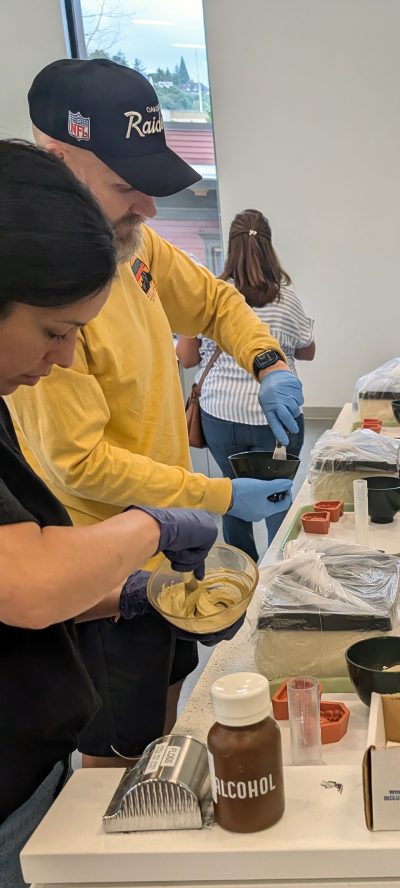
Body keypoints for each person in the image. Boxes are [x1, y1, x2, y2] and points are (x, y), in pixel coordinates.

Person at [7, 58, 304, 768]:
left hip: (156, 557)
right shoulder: (38, 307)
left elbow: (217, 302)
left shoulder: (135, 251)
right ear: (59, 163)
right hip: (100, 579)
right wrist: (211, 497)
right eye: (125, 188)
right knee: (116, 760)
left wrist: (268, 362)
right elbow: (76, 466)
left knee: (168, 717)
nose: (147, 208)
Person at [0, 139, 225, 888]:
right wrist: (155, 525)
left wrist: (128, 590)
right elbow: (27, 580)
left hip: (31, 761)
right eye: (54, 331)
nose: (62, 359)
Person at [177, 210, 316, 560]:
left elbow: (188, 357)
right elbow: (308, 350)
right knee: (277, 495)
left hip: (220, 414)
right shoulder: (287, 297)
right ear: (269, 246)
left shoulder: (212, 295)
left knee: (231, 495)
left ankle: (245, 575)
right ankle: (279, 577)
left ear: (230, 246)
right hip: (276, 418)